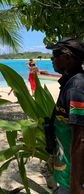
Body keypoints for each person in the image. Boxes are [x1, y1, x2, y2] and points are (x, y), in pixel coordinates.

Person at [46, 38, 84, 193]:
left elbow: (81, 138)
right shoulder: (70, 82)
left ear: (68, 57)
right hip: (66, 172)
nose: (52, 59)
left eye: (55, 55)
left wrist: (76, 184)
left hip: (73, 179)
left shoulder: (76, 87)